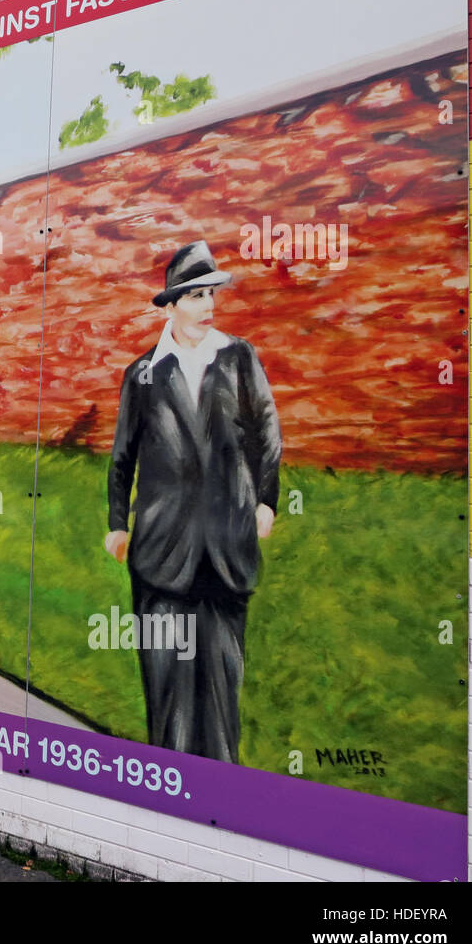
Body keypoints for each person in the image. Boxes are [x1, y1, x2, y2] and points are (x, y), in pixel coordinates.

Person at [105, 240, 282, 765]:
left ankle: (222, 791)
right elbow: (123, 456)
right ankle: (169, 786)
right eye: (196, 296)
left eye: (211, 295)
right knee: (168, 685)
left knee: (223, 683)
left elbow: (265, 434)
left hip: (228, 548)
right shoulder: (143, 374)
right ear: (171, 305)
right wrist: (118, 524)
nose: (209, 306)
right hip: (162, 553)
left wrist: (265, 502)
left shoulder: (239, 358)